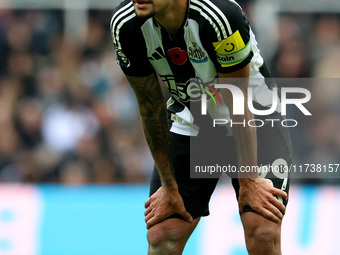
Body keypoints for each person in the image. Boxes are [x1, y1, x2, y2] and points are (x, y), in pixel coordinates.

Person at [110, 0, 292, 254]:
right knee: (163, 235)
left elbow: (237, 102)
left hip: (255, 119)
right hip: (192, 123)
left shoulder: (220, 15)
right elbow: (150, 107)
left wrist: (249, 180)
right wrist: (169, 187)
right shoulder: (125, 24)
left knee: (262, 231)